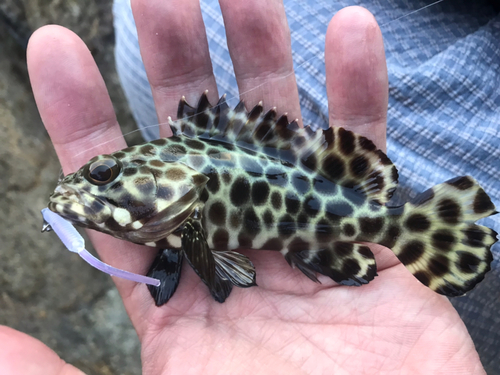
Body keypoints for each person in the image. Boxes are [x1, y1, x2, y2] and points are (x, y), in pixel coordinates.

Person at [0, 0, 497, 374]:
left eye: (104, 175)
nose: (92, 189)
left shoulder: (181, 211)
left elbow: (218, 270)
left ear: (168, 177)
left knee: (138, 32)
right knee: (135, 31)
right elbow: (220, 270)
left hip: (345, 209)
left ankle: (419, 230)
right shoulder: (173, 220)